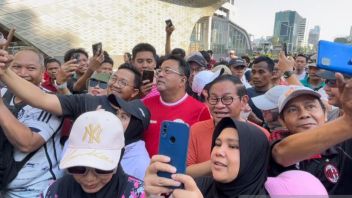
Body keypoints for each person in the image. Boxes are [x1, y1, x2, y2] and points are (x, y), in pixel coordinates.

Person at [144, 117, 270, 197]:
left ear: (254, 159)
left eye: (233, 146)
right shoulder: (198, 185)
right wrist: (152, 193)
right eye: (217, 143)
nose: (219, 151)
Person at [0, 48, 63, 198]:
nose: (22, 73)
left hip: (37, 190)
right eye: (16, 67)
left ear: (42, 73)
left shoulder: (51, 102)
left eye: (31, 68)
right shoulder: (3, 93)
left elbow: (27, 143)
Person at [271, 82, 352, 194]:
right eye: (293, 110)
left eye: (311, 106)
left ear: (326, 114)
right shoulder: (273, 146)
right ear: (282, 121)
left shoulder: (345, 144)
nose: (304, 114)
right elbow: (281, 153)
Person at [43, 110, 144, 197]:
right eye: (78, 168)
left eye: (102, 169)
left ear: (119, 157)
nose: (89, 178)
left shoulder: (142, 194)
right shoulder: (53, 191)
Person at [187, 75, 270, 178]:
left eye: (227, 99)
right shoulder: (196, 130)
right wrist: (221, 162)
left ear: (243, 101)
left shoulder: (260, 134)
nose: (219, 105)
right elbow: (186, 172)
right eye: (213, 99)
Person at [143, 54, 211, 157]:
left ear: (182, 80)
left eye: (167, 71)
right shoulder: (145, 105)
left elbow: (203, 150)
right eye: (159, 70)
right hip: (146, 171)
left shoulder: (200, 110)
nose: (160, 75)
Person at [108, 96, 151, 180]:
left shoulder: (141, 164)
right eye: (117, 113)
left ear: (135, 126)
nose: (116, 119)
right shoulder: (112, 144)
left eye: (123, 117)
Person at [246, 56, 275, 125]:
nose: (256, 76)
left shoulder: (279, 96)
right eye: (253, 72)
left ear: (272, 74)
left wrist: (257, 121)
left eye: (261, 72)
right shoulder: (244, 93)